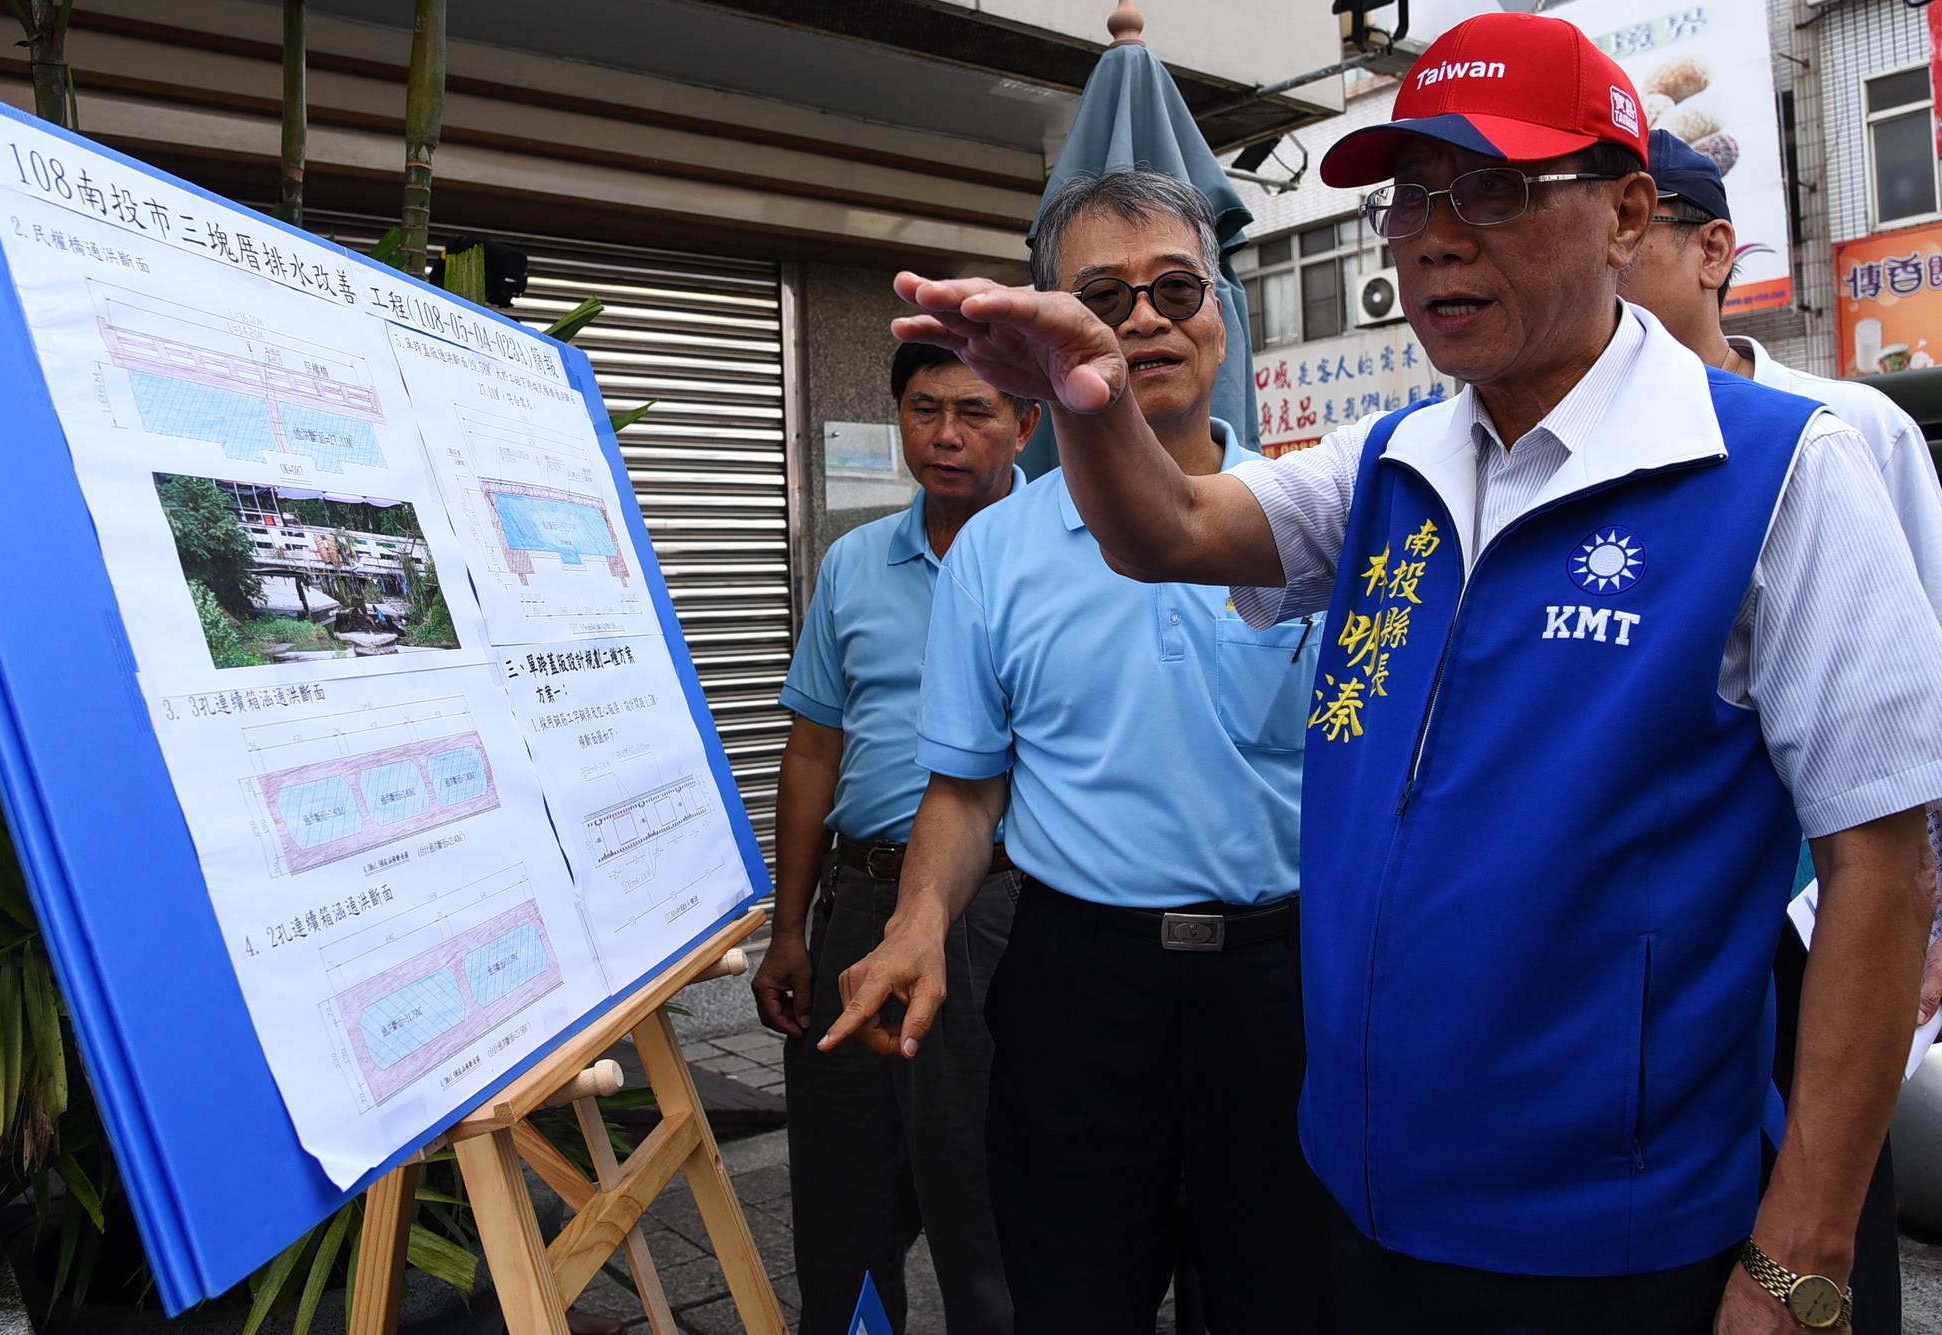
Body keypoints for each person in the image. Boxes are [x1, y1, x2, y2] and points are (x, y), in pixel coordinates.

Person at [875, 13, 1942, 1334]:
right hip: (1363, 1195)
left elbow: (1881, 868)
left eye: (1490, 189)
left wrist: (1800, 1256)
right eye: (1410, 198)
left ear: (1624, 213)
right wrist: (1084, 394)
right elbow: (1169, 531)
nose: (1434, 236)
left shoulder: (1785, 470)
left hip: (1612, 1234)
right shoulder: (1389, 462)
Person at [820, 170, 1331, 1334]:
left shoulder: (1313, 520)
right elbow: (964, 788)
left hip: (1283, 987)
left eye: (1173, 289)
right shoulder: (994, 552)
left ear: (1221, 313)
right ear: (1046, 331)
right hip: (1076, 987)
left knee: (1283, 1301)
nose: (1142, 320)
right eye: (1100, 296)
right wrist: (914, 925)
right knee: (1069, 1298)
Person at [1619, 128, 1942, 1335]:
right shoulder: (1583, 446)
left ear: (1712, 251)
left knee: (1824, 1199)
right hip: (1660, 913)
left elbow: (1925, 686)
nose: (1600, 267)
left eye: (1629, 234)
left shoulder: (1841, 427)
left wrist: (1928, 924)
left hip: (1822, 909)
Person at [753, 341, 1036, 1335]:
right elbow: (812, 750)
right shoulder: (853, 562)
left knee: (982, 1193)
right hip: (858, 902)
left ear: (1026, 425)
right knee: (842, 1193)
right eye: (923, 409)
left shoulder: (1073, 556)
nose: (945, 435)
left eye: (974, 411)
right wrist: (788, 927)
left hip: (997, 909)